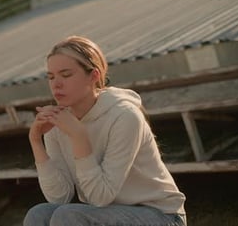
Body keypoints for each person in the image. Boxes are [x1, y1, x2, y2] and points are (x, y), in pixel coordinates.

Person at [23, 36, 186, 226]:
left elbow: (100, 197)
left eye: (66, 75)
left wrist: (79, 136)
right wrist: (36, 140)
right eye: (51, 77)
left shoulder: (125, 116)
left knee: (70, 216)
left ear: (94, 76)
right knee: (39, 214)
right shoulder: (58, 122)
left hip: (161, 216)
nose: (56, 84)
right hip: (107, 213)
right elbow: (59, 197)